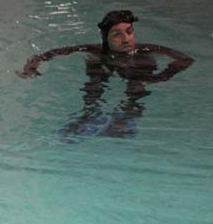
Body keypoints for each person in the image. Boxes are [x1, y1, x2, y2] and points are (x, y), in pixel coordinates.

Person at [18, 9, 193, 138]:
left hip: (136, 72)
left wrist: (161, 76)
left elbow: (185, 60)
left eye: (129, 32)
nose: (126, 39)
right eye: (117, 35)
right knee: (96, 73)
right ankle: (89, 114)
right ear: (105, 39)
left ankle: (127, 116)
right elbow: (48, 54)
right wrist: (31, 67)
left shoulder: (146, 50)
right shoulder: (96, 51)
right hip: (105, 65)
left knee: (136, 81)